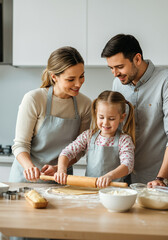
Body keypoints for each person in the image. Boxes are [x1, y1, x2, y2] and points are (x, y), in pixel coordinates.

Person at [9, 46, 92, 182]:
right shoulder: (34, 99)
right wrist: (29, 167)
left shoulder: (86, 105)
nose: (78, 83)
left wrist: (59, 167)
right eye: (71, 79)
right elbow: (20, 144)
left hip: (60, 178)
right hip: (26, 179)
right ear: (54, 77)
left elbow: (80, 149)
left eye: (81, 76)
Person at [101, 34, 168, 186]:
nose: (115, 73)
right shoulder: (117, 84)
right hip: (124, 179)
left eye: (119, 67)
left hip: (158, 180)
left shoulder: (165, 81)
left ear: (137, 59)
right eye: (111, 68)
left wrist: (161, 178)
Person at [44, 90, 135, 188]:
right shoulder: (88, 136)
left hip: (114, 191)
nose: (105, 123)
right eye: (101, 117)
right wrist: (61, 169)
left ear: (122, 117)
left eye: (111, 119)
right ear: (96, 114)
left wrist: (109, 176)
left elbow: (127, 165)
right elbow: (66, 153)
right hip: (90, 189)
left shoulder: (124, 140)